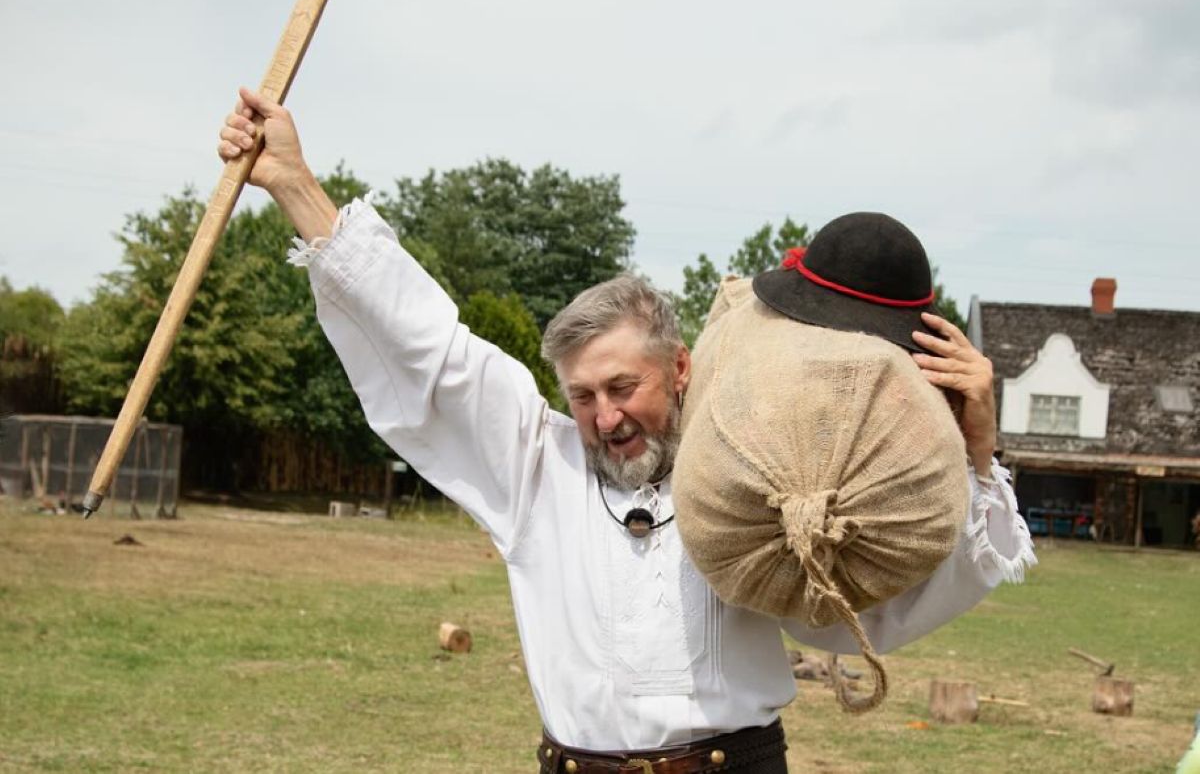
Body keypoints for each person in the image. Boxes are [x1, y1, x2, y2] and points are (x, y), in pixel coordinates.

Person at [217, 88, 1035, 773]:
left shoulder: (760, 474)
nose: (603, 418)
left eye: (621, 386)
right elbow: (430, 350)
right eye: (581, 396)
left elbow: (869, 608)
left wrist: (974, 452)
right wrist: (296, 185)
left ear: (679, 369)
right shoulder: (532, 468)